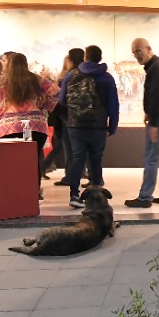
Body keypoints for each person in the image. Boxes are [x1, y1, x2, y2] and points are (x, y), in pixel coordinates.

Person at [0, 52, 59, 198]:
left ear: (9, 64)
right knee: (33, 161)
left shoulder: (0, 81)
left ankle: (14, 193)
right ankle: (33, 193)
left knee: (10, 162)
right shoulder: (36, 79)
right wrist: (46, 107)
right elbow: (56, 92)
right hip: (36, 126)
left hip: (8, 128)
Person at [59, 44, 120, 209]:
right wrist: (112, 127)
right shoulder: (106, 78)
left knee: (78, 158)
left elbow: (62, 100)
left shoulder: (71, 75)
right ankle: (97, 196)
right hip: (98, 126)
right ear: (100, 58)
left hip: (75, 126)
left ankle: (74, 195)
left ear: (85, 57)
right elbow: (113, 105)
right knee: (96, 159)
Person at [125, 38, 159, 208]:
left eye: (139, 51)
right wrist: (149, 114)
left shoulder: (156, 68)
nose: (137, 55)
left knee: (151, 158)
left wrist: (154, 123)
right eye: (134, 52)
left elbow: (157, 97)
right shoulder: (156, 66)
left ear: (149, 49)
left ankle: (145, 197)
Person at [51, 48, 85, 185]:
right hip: (86, 118)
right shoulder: (89, 74)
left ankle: (70, 177)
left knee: (70, 149)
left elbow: (62, 99)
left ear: (70, 59)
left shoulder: (69, 76)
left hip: (68, 118)